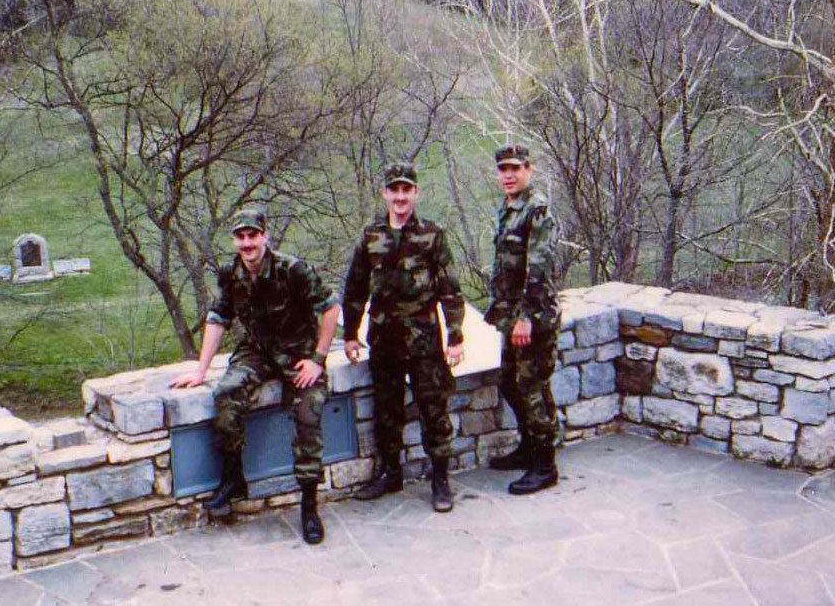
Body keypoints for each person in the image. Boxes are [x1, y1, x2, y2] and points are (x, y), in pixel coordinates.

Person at [170, 208, 339, 545]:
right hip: (258, 350)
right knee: (227, 394)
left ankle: (308, 505)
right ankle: (233, 479)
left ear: (265, 236)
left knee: (307, 413)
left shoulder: (293, 269)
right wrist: (200, 370)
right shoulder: (230, 274)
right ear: (234, 240)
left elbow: (331, 307)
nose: (247, 243)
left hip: (298, 351)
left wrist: (318, 359)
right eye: (241, 237)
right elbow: (219, 317)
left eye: (253, 235)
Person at [342, 162, 465, 513]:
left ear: (415, 193)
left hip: (424, 341)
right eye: (393, 190)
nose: (400, 197)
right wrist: (350, 334)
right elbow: (354, 287)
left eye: (406, 190)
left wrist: (455, 336)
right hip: (384, 339)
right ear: (385, 193)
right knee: (386, 410)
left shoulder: (432, 234)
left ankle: (440, 480)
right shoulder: (371, 236)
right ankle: (389, 473)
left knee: (433, 409)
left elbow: (450, 288)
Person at [484, 144, 561, 495]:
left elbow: (538, 268)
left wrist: (526, 317)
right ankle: (529, 446)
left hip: (533, 317)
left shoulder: (537, 209)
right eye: (503, 169)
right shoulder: (510, 208)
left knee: (532, 389)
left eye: (515, 168)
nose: (508, 175)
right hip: (509, 316)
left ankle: (545, 465)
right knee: (509, 382)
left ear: (529, 169)